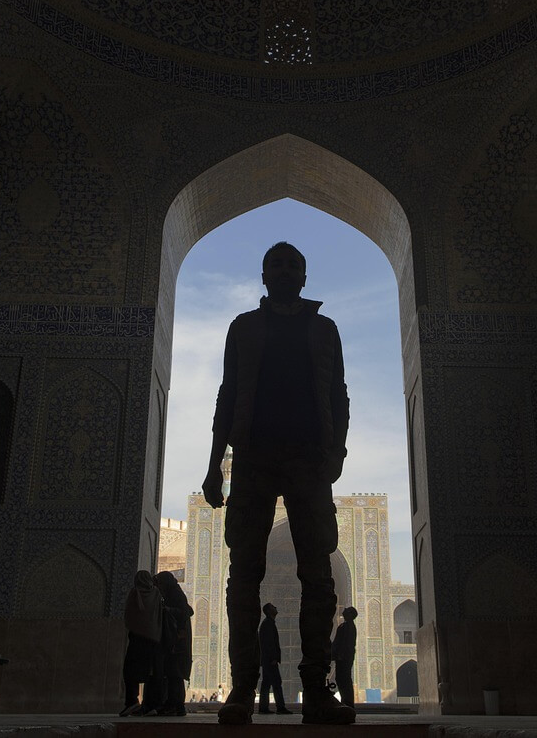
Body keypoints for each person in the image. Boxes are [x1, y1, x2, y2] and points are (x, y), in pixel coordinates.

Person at [202, 241, 355, 726]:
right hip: (254, 457)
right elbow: (227, 395)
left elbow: (338, 395)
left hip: (309, 458)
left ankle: (316, 688)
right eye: (277, 265)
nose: (285, 271)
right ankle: (242, 688)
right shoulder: (244, 327)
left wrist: (336, 453)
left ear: (304, 277)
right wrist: (214, 464)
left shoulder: (324, 329)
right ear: (264, 275)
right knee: (244, 574)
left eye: (293, 265)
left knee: (319, 575)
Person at [120, 570, 162, 716]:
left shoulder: (135, 592)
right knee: (151, 672)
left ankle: (132, 701)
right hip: (154, 638)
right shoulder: (156, 593)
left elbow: (128, 614)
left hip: (137, 638)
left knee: (130, 670)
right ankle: (151, 705)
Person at [153, 570, 194, 716]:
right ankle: (174, 705)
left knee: (175, 674)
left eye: (161, 582)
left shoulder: (176, 596)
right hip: (173, 641)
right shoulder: (172, 595)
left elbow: (185, 612)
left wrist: (167, 610)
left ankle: (175, 705)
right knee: (173, 674)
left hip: (178, 642)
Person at [258, 603, 291, 714]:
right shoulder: (268, 624)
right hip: (270, 660)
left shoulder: (269, 623)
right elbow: (268, 643)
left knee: (266, 683)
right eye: (273, 607)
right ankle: (280, 707)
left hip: (267, 659)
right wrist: (273, 658)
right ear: (268, 611)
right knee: (276, 682)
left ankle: (263, 708)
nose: (276, 608)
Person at [331, 606, 358, 709]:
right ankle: (346, 701)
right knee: (342, 679)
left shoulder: (348, 627)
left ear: (351, 615)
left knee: (344, 679)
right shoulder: (345, 626)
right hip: (342, 657)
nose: (344, 611)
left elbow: (346, 644)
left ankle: (348, 703)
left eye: (347, 611)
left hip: (344, 657)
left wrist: (340, 655)